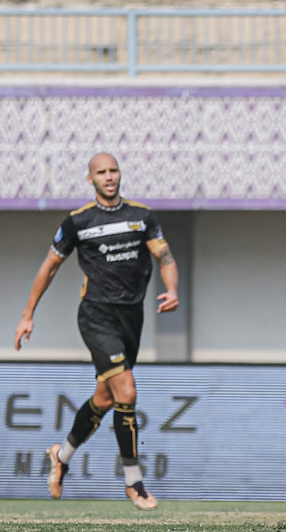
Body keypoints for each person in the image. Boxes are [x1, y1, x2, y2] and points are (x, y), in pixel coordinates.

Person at [14, 153, 179, 510]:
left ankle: (61, 454)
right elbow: (49, 268)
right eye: (101, 172)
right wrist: (27, 315)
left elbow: (164, 257)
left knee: (106, 398)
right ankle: (134, 481)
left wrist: (173, 289)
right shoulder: (78, 222)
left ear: (120, 174)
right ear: (90, 179)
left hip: (131, 319)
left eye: (113, 170)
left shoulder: (142, 217)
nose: (108, 176)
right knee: (127, 391)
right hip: (96, 316)